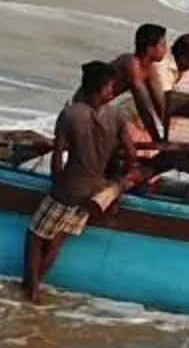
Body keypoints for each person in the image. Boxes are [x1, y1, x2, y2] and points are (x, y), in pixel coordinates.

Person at [22, 59, 123, 301]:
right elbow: (129, 153)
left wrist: (57, 183)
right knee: (57, 239)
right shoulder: (117, 116)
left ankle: (32, 288)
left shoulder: (70, 114)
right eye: (110, 86)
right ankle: (33, 285)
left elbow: (58, 156)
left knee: (35, 236)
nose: (113, 90)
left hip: (70, 186)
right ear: (101, 88)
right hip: (96, 190)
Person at [102, 22, 174, 152]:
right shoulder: (131, 63)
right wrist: (157, 139)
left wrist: (172, 134)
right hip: (84, 106)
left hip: (101, 110)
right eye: (162, 45)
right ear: (150, 49)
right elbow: (143, 105)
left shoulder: (149, 68)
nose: (166, 49)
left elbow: (160, 103)